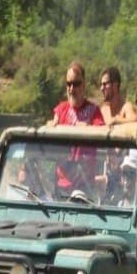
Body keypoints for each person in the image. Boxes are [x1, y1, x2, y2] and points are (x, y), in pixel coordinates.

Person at [49, 61, 103, 195]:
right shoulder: (61, 110)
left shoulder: (94, 111)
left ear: (84, 85)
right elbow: (51, 126)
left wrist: (87, 128)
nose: (72, 89)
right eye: (69, 84)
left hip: (84, 185)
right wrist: (51, 126)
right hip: (62, 184)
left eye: (76, 84)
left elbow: (103, 132)